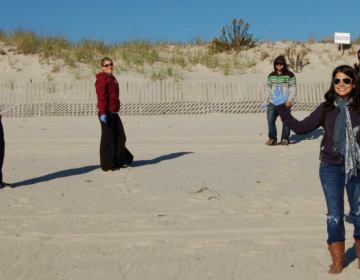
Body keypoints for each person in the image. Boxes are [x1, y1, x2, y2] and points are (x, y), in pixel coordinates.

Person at [271, 65, 360, 274]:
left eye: (346, 80)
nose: (341, 85)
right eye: (337, 80)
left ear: (354, 83)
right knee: (335, 215)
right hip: (330, 167)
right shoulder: (326, 108)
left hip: (357, 168)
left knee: (358, 213)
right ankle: (338, 260)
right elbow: (302, 128)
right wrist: (281, 108)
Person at [95, 57, 133, 172]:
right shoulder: (102, 79)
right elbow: (101, 98)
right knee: (107, 139)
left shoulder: (112, 78)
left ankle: (119, 161)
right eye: (106, 65)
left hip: (114, 113)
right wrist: (102, 113)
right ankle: (106, 166)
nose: (109, 67)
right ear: (102, 67)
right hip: (106, 112)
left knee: (121, 137)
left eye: (111, 64)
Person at [262, 55, 297, 146]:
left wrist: (290, 100)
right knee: (270, 120)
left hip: (285, 103)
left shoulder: (290, 75)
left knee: (286, 121)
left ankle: (285, 138)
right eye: (277, 63)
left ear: (284, 64)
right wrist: (265, 101)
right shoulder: (271, 76)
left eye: (281, 63)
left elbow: (293, 88)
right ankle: (272, 139)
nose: (279, 65)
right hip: (273, 102)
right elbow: (268, 89)